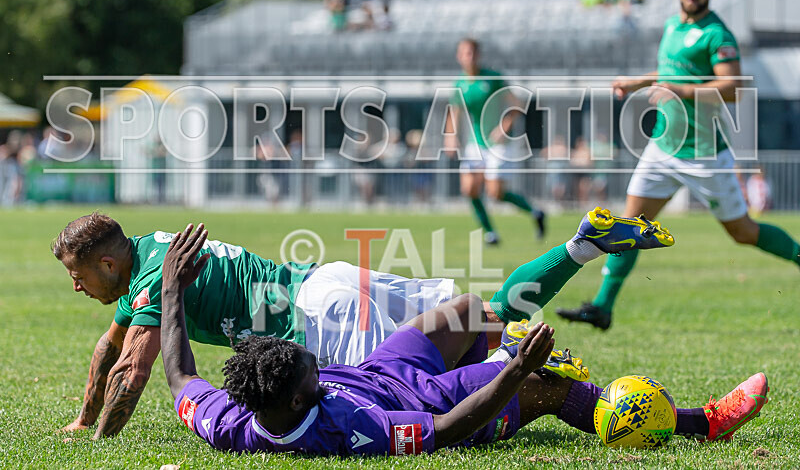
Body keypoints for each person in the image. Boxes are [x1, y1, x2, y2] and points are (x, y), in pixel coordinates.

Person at [53, 206, 673, 439]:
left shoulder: (147, 283)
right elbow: (111, 349)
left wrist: (99, 439)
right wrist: (82, 415)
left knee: (433, 380)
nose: (77, 288)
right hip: (329, 280)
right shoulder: (151, 250)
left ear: (109, 262)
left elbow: (134, 373)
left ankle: (525, 372)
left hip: (316, 323)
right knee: (480, 314)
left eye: (80, 276)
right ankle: (582, 246)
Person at [161, 223, 768, 455]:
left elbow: (182, 377)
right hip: (434, 400)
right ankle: (705, 422)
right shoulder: (351, 432)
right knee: (548, 386)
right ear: (299, 402)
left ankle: (553, 288)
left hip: (384, 368)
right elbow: (446, 433)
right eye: (310, 373)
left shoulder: (229, 419)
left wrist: (170, 290)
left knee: (472, 310)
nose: (315, 363)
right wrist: (512, 371)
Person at [557, 0, 800, 331]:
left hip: (704, 155)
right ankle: (602, 306)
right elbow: (668, 72)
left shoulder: (717, 34)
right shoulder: (672, 26)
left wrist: (680, 90)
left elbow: (733, 88)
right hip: (662, 147)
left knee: (744, 233)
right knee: (629, 225)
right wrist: (640, 81)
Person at [447, 38, 546, 245]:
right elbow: (454, 113)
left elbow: (517, 104)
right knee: (469, 189)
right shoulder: (460, 83)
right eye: (465, 53)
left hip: (497, 144)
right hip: (475, 143)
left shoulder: (493, 78)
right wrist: (450, 136)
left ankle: (535, 211)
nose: (469, 57)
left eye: (472, 52)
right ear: (459, 57)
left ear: (478, 55)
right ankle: (491, 233)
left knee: (495, 193)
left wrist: (504, 126)